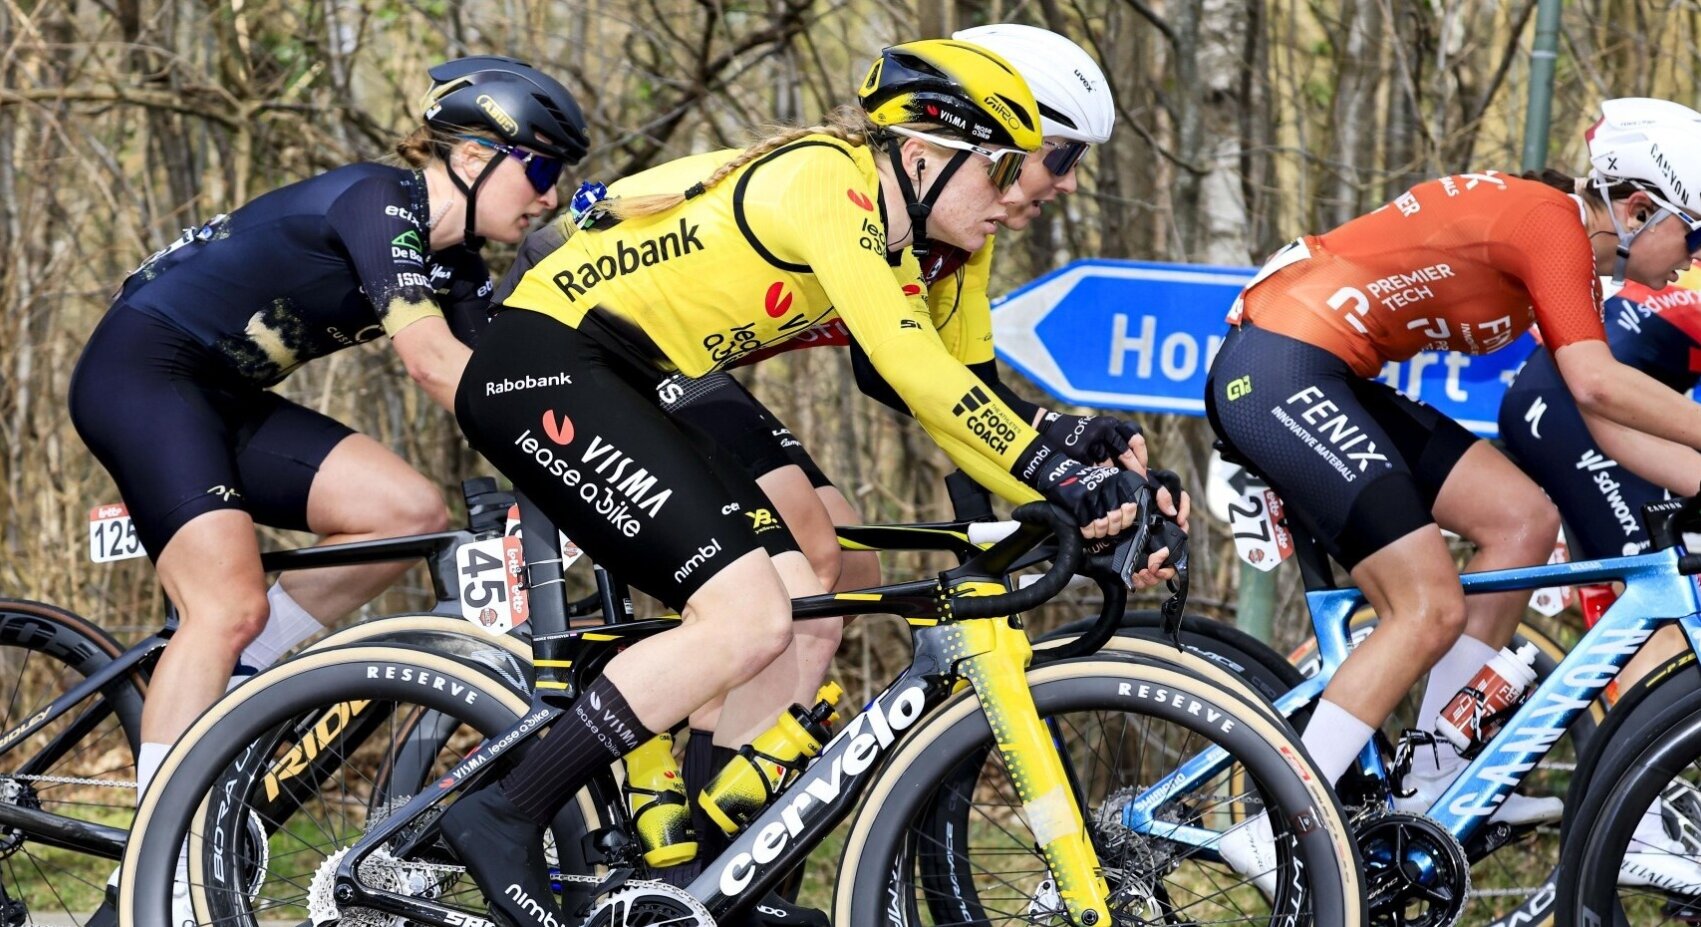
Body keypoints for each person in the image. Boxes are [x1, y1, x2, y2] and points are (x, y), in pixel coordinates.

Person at [440, 39, 1178, 927]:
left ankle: (712, 875)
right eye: (1017, 167)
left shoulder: (941, 238)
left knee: (796, 593)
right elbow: (912, 369)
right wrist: (1056, 475)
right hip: (550, 363)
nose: (1038, 187)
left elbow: (969, 403)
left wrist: (1070, 478)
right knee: (749, 612)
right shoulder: (827, 182)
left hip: (642, 374)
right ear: (923, 154)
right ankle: (504, 810)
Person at [69, 55, 586, 921]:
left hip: (223, 398)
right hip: (143, 370)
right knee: (223, 604)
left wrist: (584, 474)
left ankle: (240, 678)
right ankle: (158, 862)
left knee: (408, 512)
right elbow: (432, 365)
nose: (549, 191)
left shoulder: (455, 271)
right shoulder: (379, 202)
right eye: (538, 167)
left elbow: (506, 389)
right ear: (469, 157)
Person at [1206, 97, 1701, 890]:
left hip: (1323, 371)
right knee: (1427, 605)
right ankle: (1273, 825)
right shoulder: (1550, 222)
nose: (1691, 257)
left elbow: (1603, 426)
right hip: (1277, 366)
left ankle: (1431, 773)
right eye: (1694, 232)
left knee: (1521, 517)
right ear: (1639, 208)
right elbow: (1598, 385)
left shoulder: (1569, 250)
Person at [1501, 267, 1701, 891]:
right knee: (1659, 603)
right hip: (1572, 410)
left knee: (1640, 604)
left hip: (1572, 405)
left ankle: (1642, 788)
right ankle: (1644, 817)